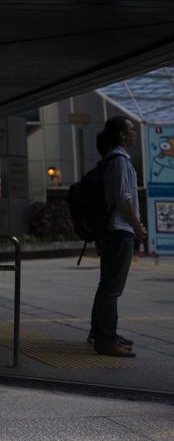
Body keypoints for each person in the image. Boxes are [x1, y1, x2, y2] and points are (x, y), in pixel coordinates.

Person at [90, 116, 145, 357]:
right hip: (120, 230)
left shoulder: (111, 159)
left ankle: (103, 333)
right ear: (122, 135)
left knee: (107, 287)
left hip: (111, 231)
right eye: (131, 130)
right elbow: (125, 199)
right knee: (112, 289)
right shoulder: (120, 160)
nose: (135, 133)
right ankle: (105, 340)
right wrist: (138, 226)